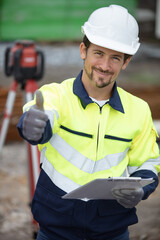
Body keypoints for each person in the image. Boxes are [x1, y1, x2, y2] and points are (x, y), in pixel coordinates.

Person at [17, 4, 160, 240]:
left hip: (111, 229)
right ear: (83, 50)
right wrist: (34, 125)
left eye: (115, 57)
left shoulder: (138, 110)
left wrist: (140, 189)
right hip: (55, 227)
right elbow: (41, 116)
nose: (104, 66)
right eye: (99, 53)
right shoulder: (56, 95)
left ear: (126, 62)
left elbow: (148, 161)